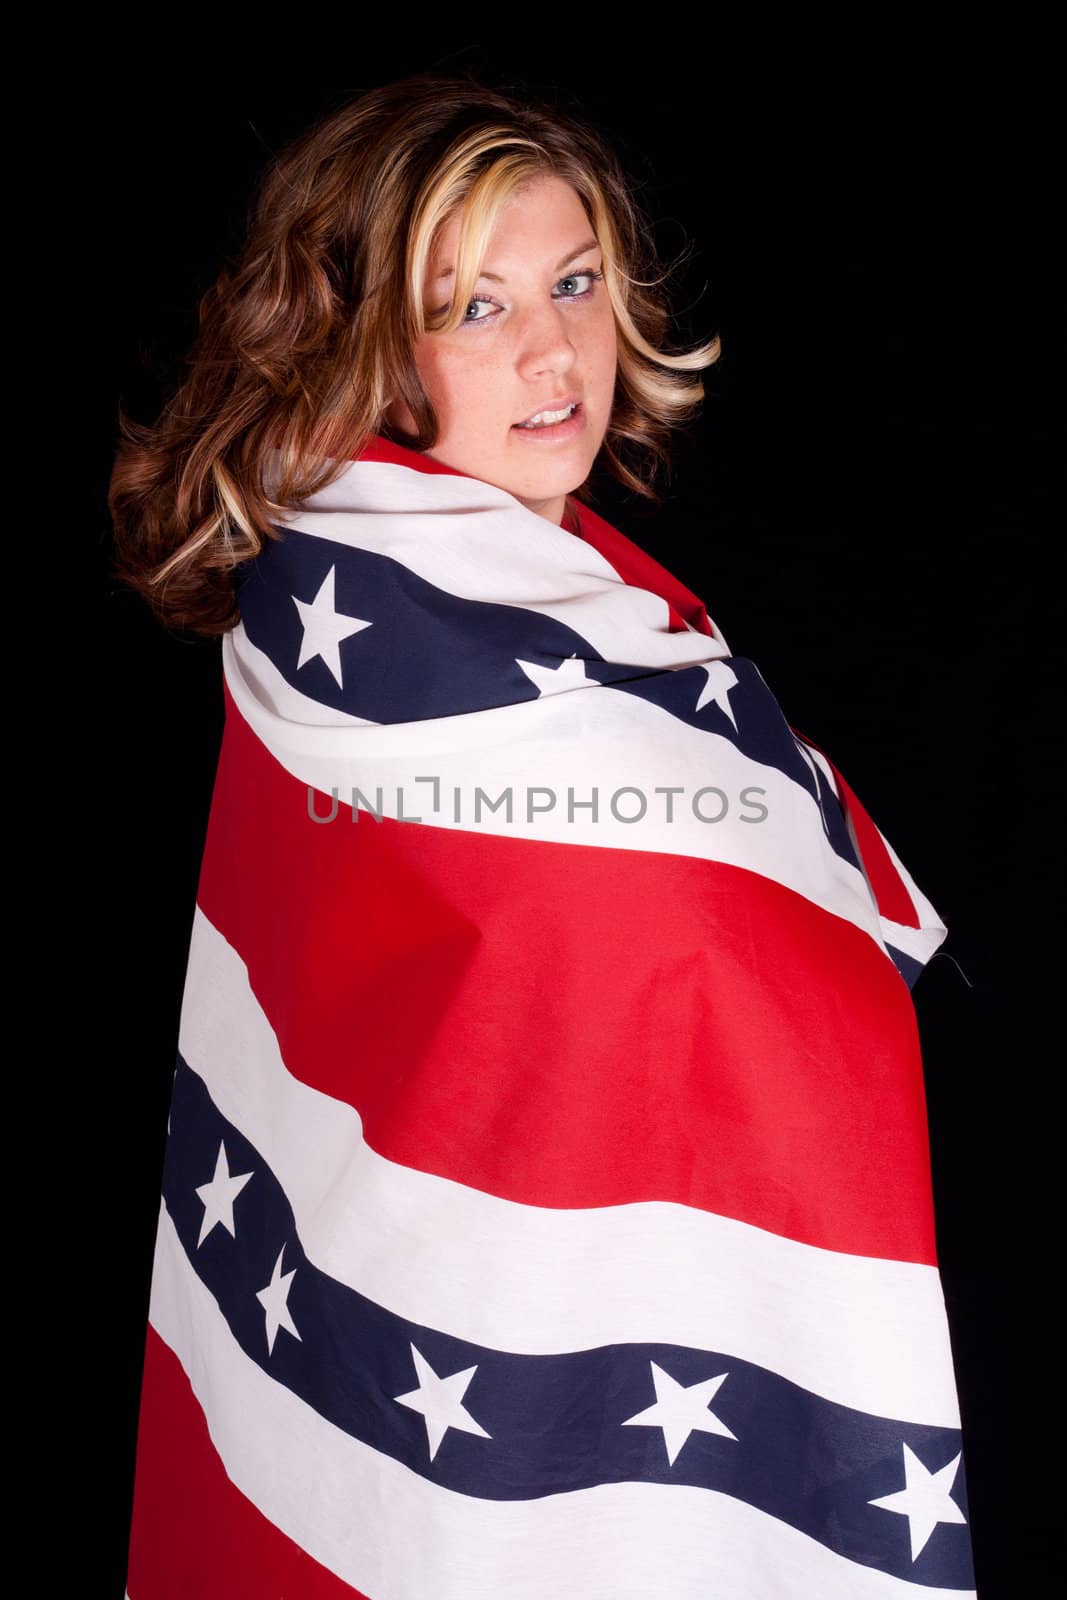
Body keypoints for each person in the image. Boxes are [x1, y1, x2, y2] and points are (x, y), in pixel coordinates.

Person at [111, 72, 976, 1598]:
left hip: (533, 1341)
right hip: (477, 1380)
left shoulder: (499, 594)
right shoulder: (403, 651)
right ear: (365, 345)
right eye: (473, 307)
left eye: (573, 284)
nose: (552, 352)